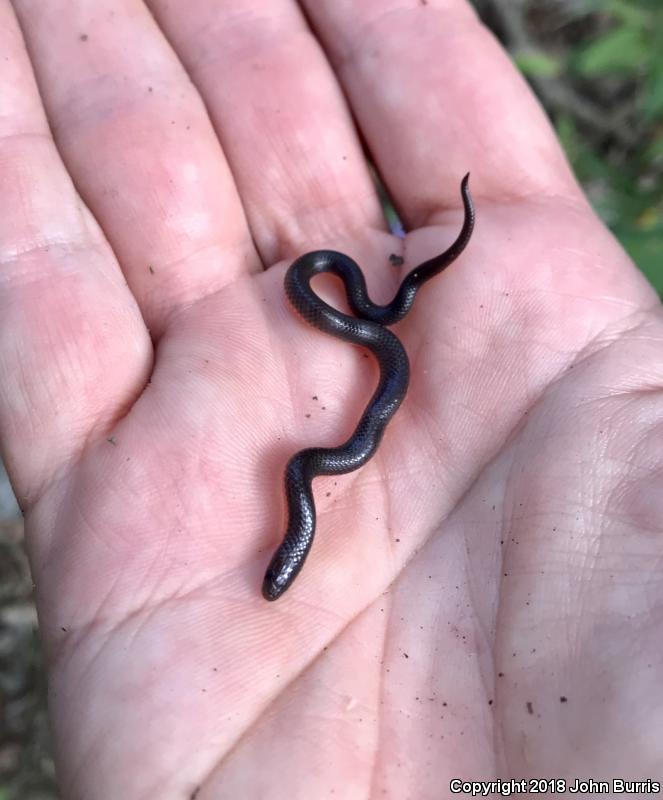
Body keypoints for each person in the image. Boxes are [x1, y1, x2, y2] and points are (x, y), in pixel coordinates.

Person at [1, 1, 660, 798]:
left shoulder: (316, 463)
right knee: (345, 382)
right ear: (290, 553)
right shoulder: (314, 452)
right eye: (281, 573)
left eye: (279, 574)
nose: (275, 575)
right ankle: (370, 297)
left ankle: (373, 298)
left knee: (345, 392)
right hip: (345, 309)